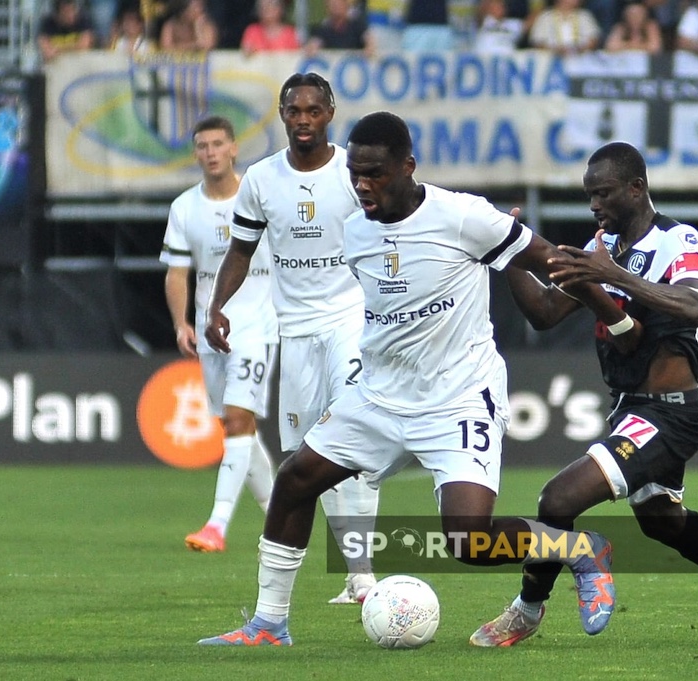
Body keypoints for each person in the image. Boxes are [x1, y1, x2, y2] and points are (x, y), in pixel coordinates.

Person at [197, 110, 636, 646]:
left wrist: (617, 317)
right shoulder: (354, 230)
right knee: (295, 481)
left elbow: (552, 265)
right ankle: (268, 624)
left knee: (467, 541)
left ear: (408, 167)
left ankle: (582, 549)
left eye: (375, 173)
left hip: (457, 396)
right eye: (355, 174)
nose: (362, 185)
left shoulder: (465, 216)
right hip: (379, 394)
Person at [471, 141, 698, 648]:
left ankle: (527, 609)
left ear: (637, 188)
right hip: (634, 409)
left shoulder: (676, 239)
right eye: (589, 196)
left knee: (557, 499)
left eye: (603, 193)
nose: (594, 205)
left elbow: (695, 306)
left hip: (671, 414)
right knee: (663, 523)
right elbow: (543, 313)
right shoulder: (604, 248)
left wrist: (612, 275)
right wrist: (510, 254)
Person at [202, 73, 380, 606]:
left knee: (354, 437)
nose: (303, 120)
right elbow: (241, 250)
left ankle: (364, 574)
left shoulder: (354, 172)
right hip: (294, 329)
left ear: (330, 113)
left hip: (351, 318)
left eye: (312, 110)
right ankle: (354, 571)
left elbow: (389, 231)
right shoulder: (260, 179)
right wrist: (216, 305)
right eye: (293, 111)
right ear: (282, 115)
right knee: (307, 457)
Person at [161, 116, 280, 553]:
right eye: (202, 146)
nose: (210, 152)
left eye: (217, 144)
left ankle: (217, 524)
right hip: (212, 329)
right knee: (238, 429)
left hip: (258, 324)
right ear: (196, 153)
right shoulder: (184, 208)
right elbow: (177, 271)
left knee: (236, 420)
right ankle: (280, 519)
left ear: (233, 149)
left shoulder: (260, 194)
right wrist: (181, 322)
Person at [528, 0, 602, 54]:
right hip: (551, 59)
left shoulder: (585, 16)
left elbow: (593, 40)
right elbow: (538, 43)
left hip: (580, 58)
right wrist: (556, 51)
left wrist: (578, 50)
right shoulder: (545, 17)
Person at [306, 0, 376, 56]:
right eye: (332, 4)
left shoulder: (357, 25)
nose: (335, 7)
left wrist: (368, 49)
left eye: (338, 4)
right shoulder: (323, 28)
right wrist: (312, 48)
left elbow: (369, 41)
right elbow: (314, 43)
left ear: (346, 5)